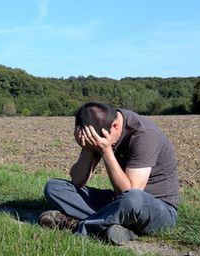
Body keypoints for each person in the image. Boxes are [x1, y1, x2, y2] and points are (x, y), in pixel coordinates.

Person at [39, 102, 179, 245]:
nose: (96, 143)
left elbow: (130, 192)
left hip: (157, 209)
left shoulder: (145, 134)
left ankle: (79, 226)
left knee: (132, 199)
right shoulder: (99, 129)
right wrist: (88, 149)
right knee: (54, 187)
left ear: (116, 126)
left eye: (96, 140)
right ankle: (113, 227)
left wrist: (106, 151)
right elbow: (77, 181)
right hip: (118, 201)